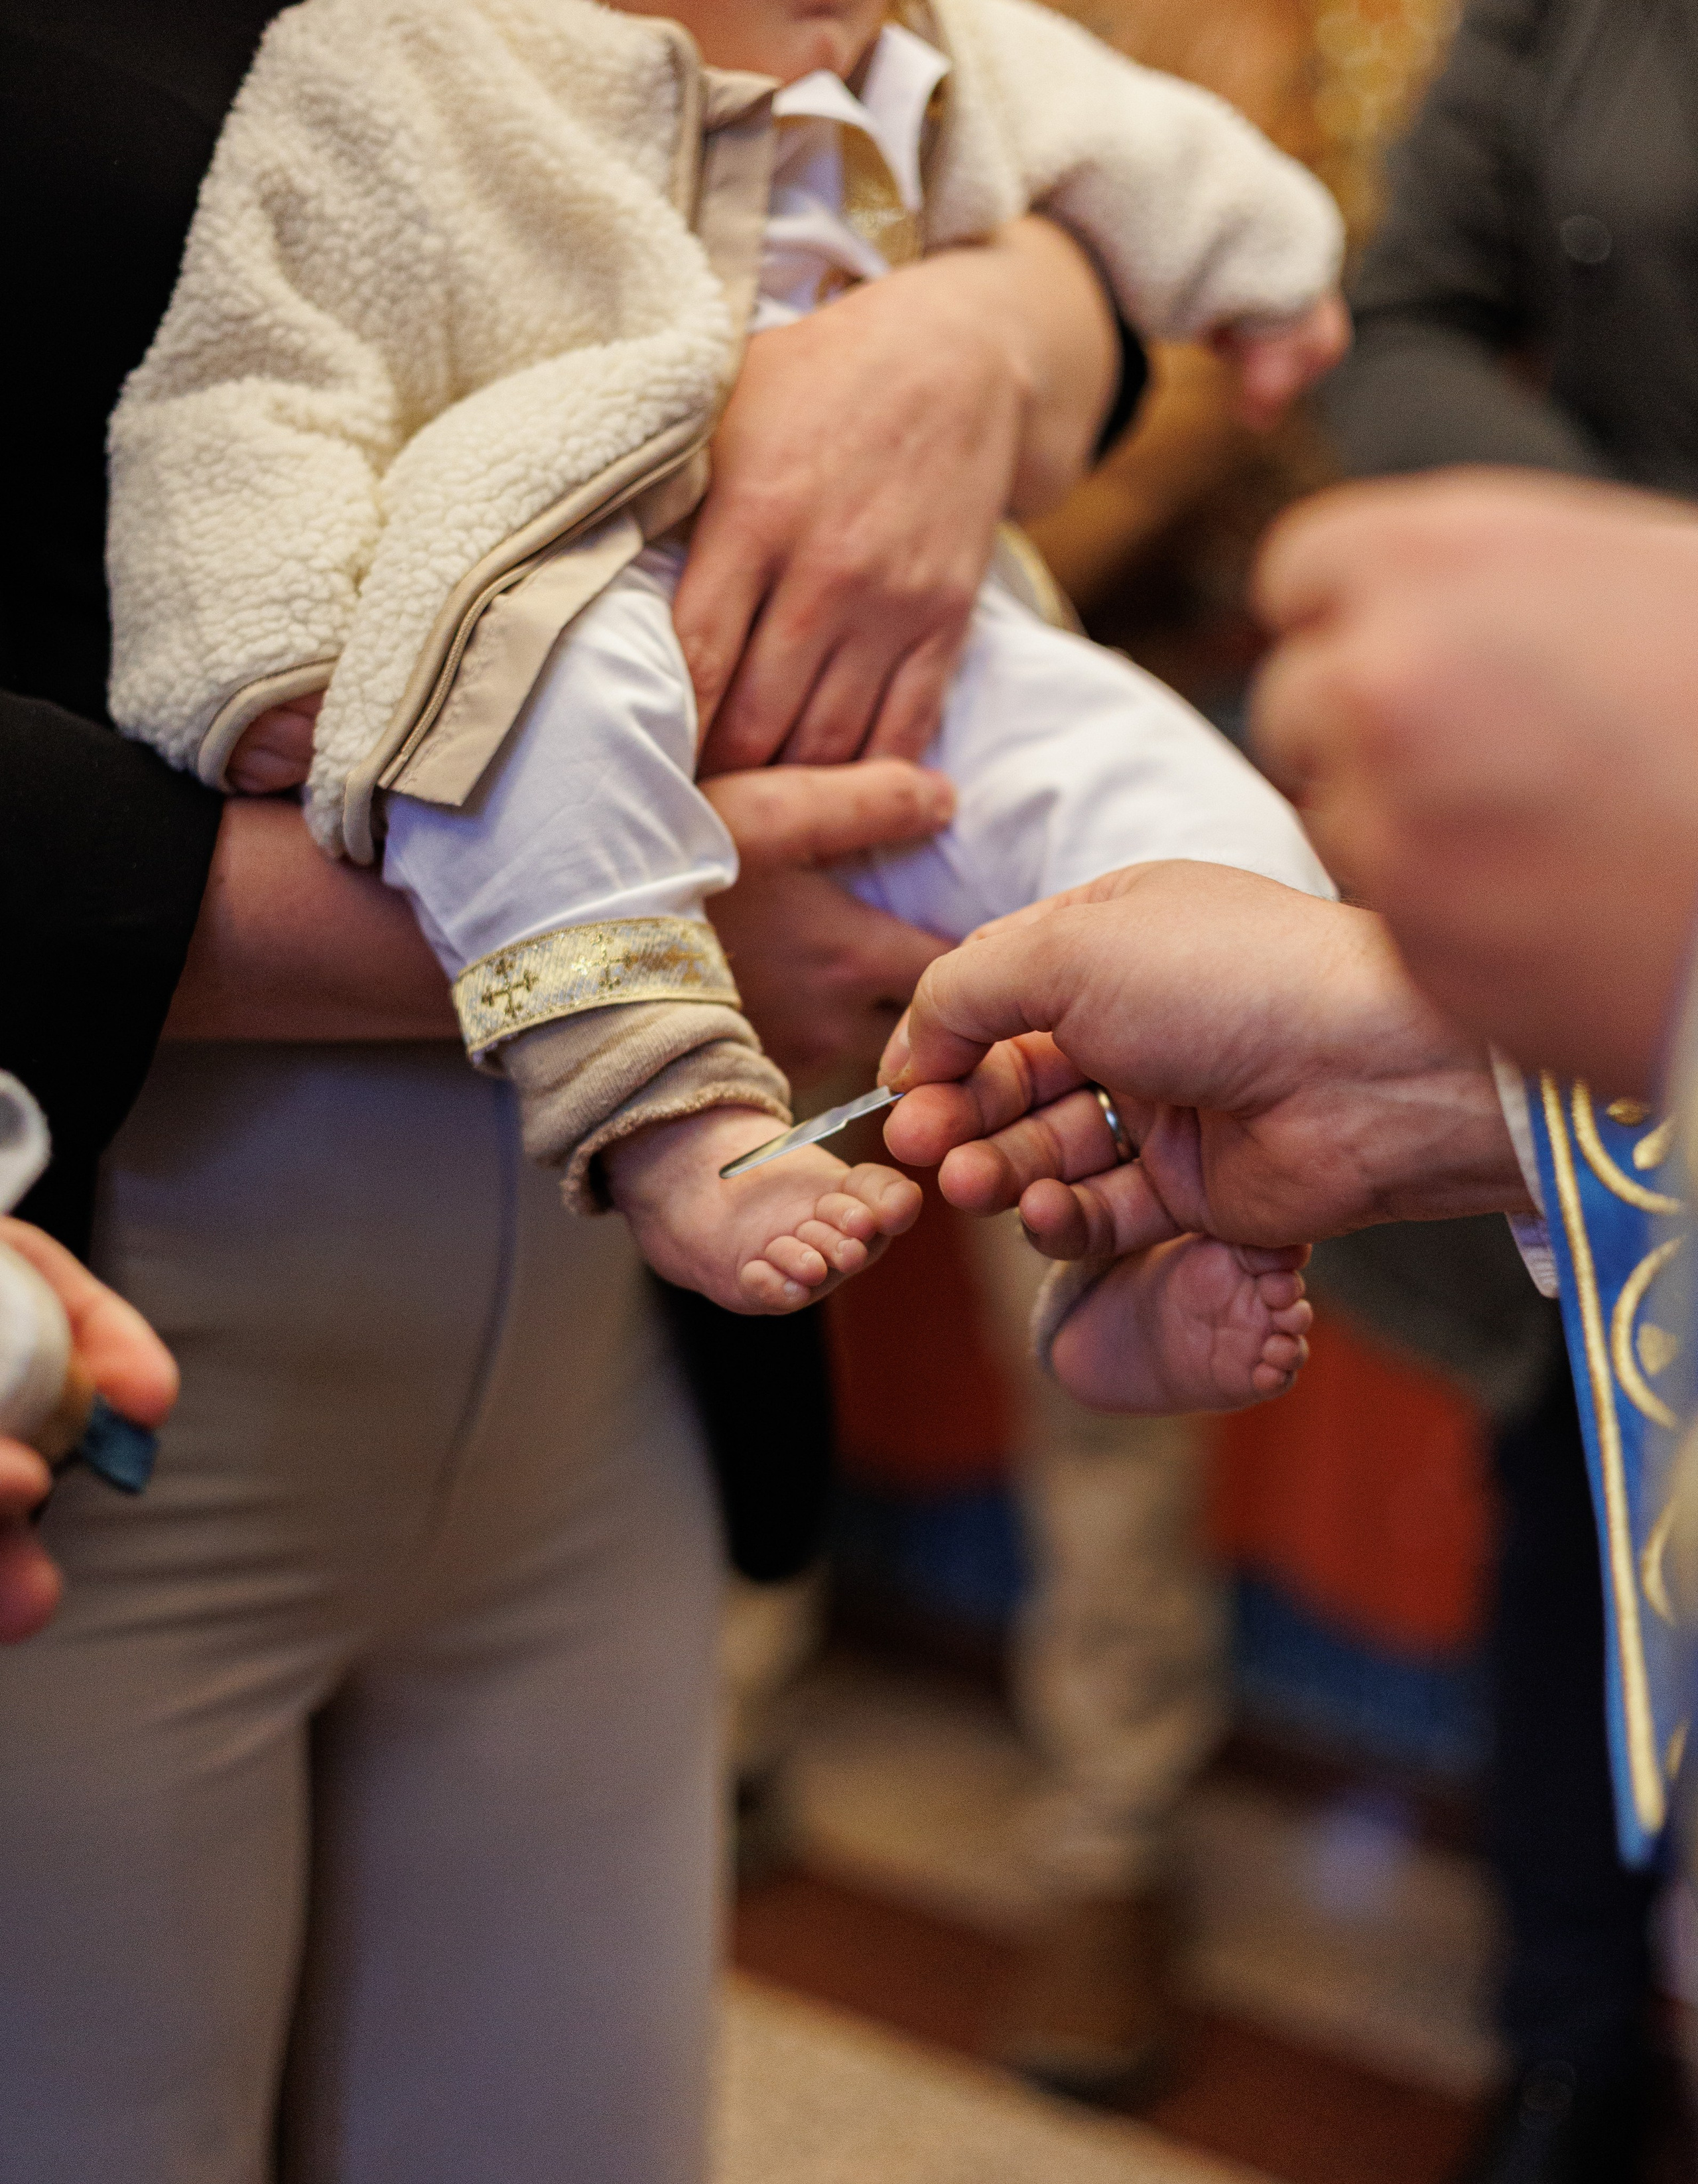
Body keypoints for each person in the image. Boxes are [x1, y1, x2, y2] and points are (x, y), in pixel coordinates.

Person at [2, 3, 1146, 2176]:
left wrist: (983, 331)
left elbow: (1045, 179)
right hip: (103, 1341)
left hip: (607, 1389)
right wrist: (623, 931)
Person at [105, 0, 1346, 1385]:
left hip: (913, 623)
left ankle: (1153, 1233)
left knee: (1175, 810)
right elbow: (246, 390)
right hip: (561, 554)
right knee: (520, 734)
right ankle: (673, 1117)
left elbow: (1118, 130)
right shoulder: (401, 55)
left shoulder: (930, 39)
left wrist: (1267, 267)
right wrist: (259, 650)